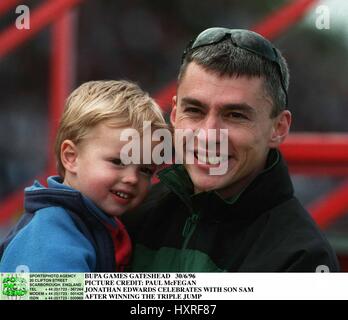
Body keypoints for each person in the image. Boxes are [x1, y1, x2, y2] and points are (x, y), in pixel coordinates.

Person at [122, 28, 340, 272]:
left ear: (278, 128)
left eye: (235, 115)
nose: (208, 135)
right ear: (174, 114)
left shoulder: (303, 259)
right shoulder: (133, 210)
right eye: (194, 110)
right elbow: (72, 290)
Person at [0, 80, 167, 272]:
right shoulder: (49, 235)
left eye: (145, 170)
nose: (132, 178)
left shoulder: (98, 222)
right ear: (71, 157)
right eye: (118, 162)